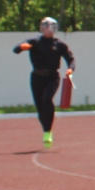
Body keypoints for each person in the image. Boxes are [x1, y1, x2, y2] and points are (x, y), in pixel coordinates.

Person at [12, 17, 74, 149]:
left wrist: (70, 69)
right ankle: (46, 127)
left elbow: (70, 59)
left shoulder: (59, 44)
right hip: (36, 77)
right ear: (41, 28)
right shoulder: (35, 41)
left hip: (52, 77)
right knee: (40, 107)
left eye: (52, 26)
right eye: (46, 25)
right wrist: (21, 47)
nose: (49, 28)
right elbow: (16, 49)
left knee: (47, 99)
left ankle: (47, 132)